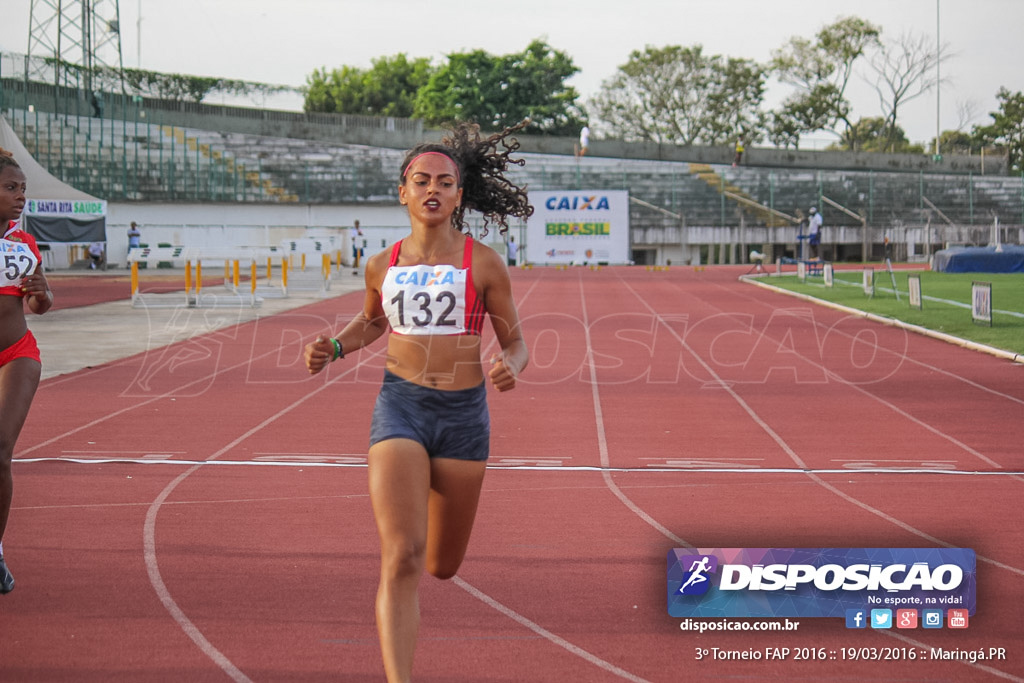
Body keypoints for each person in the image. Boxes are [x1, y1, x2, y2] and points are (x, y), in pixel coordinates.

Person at [303, 121, 532, 683]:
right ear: (403, 191)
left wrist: (511, 368)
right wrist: (335, 345)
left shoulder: (484, 264)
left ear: (460, 194)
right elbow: (373, 323)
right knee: (402, 555)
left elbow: (516, 342)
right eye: (421, 180)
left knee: (441, 565)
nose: (433, 189)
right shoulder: (382, 264)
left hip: (463, 418)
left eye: (446, 182)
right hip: (400, 407)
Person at [0, 148, 54, 595]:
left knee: (0, 451)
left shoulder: (23, 246)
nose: (21, 198)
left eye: (23, 190)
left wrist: (41, 291)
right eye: (11, 188)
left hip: (16, 353)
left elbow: (40, 305)